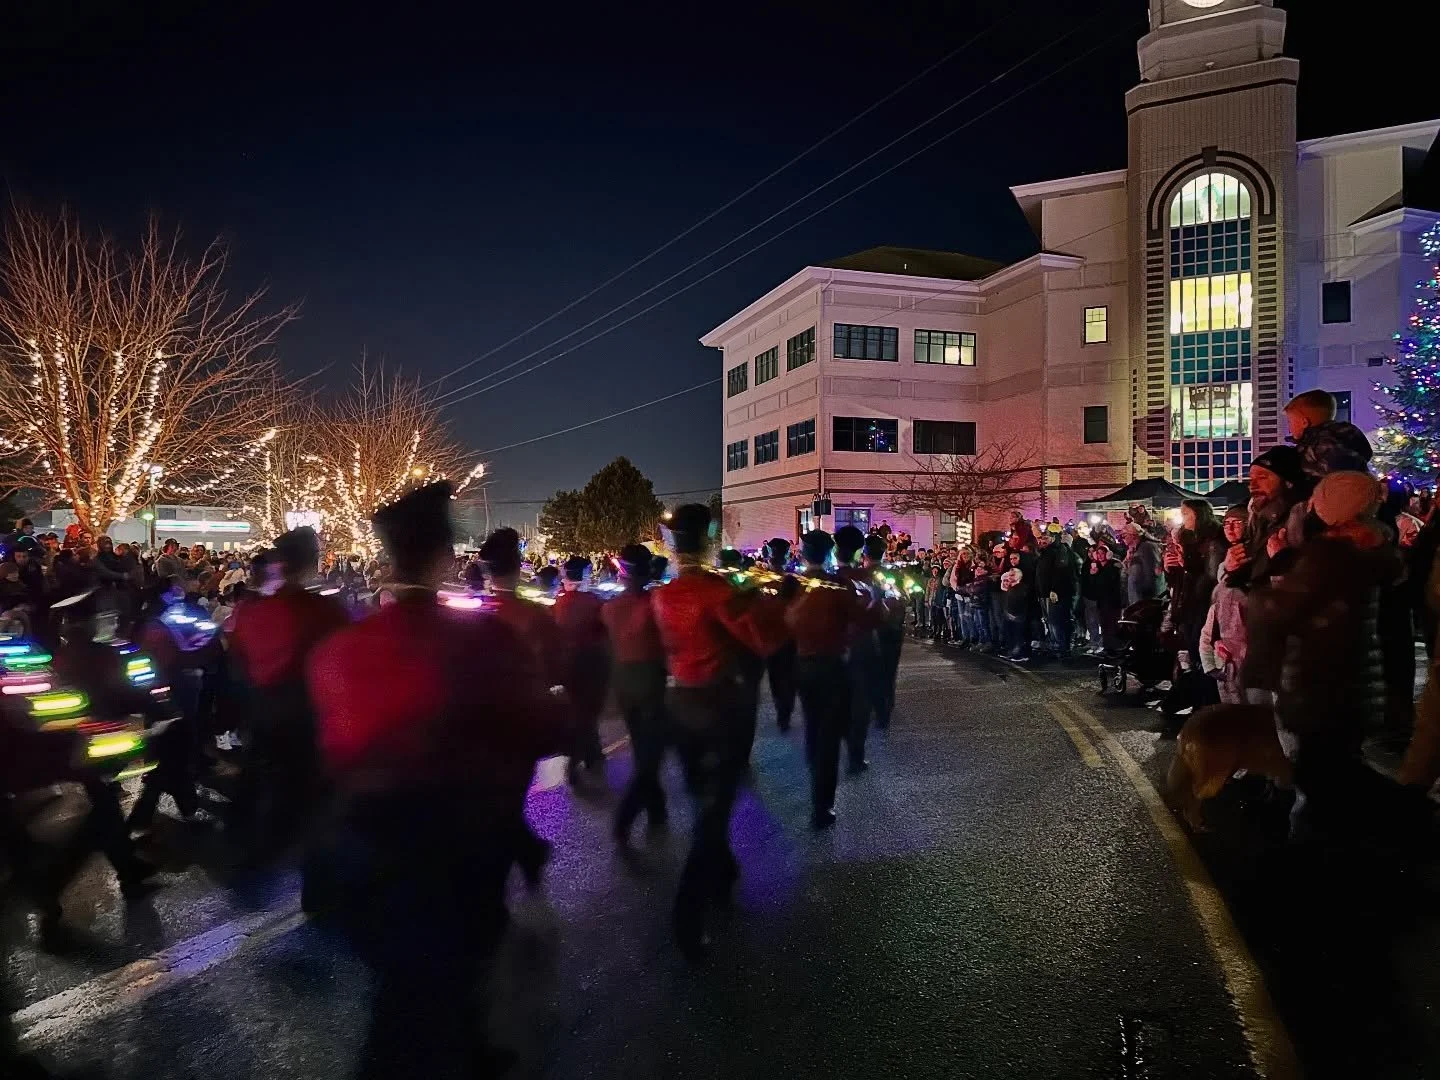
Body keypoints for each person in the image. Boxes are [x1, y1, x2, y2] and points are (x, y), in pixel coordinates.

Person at [307, 481, 567, 1079]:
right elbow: (531, 727)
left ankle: (469, 1048)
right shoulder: (479, 639)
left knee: (405, 988)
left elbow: (333, 751)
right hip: (453, 848)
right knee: (421, 1000)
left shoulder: (339, 648)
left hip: (358, 846)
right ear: (446, 556)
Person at [649, 503, 785, 960]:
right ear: (708, 540)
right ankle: (687, 915)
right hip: (718, 707)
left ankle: (724, 872)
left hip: (679, 704)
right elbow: (764, 641)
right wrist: (764, 600)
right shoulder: (717, 591)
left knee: (704, 799)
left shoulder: (663, 594)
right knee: (713, 810)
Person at [1248, 471, 1406, 841]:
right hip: (1354, 685)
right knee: (1335, 771)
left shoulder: (1331, 554)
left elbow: (1284, 609)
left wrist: (1279, 560)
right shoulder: (1375, 546)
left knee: (1318, 781)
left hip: (1321, 686)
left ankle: (1321, 857)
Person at [227, 526, 349, 862]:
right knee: (307, 797)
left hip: (262, 708)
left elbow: (237, 658)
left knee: (261, 777)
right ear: (311, 562)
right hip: (306, 715)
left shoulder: (252, 610)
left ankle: (249, 846)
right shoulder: (324, 611)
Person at [787, 530, 875, 827]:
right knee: (828, 734)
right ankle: (822, 804)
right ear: (828, 554)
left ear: (803, 554)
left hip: (802, 664)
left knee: (813, 728)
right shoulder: (837, 586)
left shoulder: (793, 585)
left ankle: (817, 784)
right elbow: (863, 619)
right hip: (832, 665)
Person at [603, 543, 669, 845]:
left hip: (623, 683)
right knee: (650, 753)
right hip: (650, 681)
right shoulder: (655, 603)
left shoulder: (609, 607)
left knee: (644, 746)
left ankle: (657, 809)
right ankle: (625, 818)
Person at [554, 554, 611, 785]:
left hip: (567, 664)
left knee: (580, 710)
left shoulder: (560, 601)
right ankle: (577, 757)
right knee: (589, 711)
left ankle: (593, 753)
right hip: (591, 663)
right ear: (584, 575)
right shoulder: (593, 602)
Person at [1199, 506, 1259, 704]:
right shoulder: (1224, 564)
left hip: (1251, 658)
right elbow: (1215, 615)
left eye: (1237, 523)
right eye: (1226, 523)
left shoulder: (1256, 562)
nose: (1230, 529)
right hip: (1226, 659)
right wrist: (1209, 657)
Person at [1284, 388, 1374, 481]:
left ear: (1304, 422)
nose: (1289, 428)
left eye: (1290, 421)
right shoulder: (1347, 435)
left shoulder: (1322, 445)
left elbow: (1340, 478)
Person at [864, 534, 905, 725]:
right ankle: (884, 708)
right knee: (888, 669)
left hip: (866, 630)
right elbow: (903, 598)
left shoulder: (859, 575)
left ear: (864, 554)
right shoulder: (894, 574)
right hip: (891, 628)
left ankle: (872, 705)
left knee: (868, 669)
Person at [762, 538, 798, 733]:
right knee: (787, 678)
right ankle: (785, 712)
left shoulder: (761, 581)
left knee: (776, 678)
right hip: (789, 637)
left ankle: (782, 711)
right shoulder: (794, 581)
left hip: (771, 638)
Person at [1035, 529, 1080, 658]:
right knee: (1050, 621)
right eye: (1041, 538)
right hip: (1045, 592)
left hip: (1056, 593)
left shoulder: (1059, 551)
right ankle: (1055, 644)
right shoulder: (1045, 553)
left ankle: (1061, 647)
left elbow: (1061, 571)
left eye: (1045, 538)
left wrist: (1054, 589)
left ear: (1053, 538)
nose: (1042, 541)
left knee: (1057, 621)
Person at [1082, 541, 1124, 655]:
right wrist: (1092, 575)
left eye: (1102, 553)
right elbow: (1094, 584)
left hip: (1113, 601)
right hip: (1101, 601)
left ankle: (1114, 648)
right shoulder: (1097, 566)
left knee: (1112, 625)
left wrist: (1097, 575)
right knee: (1104, 625)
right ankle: (1107, 647)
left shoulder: (1114, 565)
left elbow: (1111, 582)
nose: (1100, 556)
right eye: (1098, 553)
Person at [1120, 522, 1162, 607]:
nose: (1122, 539)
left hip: (1144, 600)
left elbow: (1150, 574)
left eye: (1124, 535)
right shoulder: (1135, 550)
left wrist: (1148, 599)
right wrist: (1128, 561)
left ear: (1133, 535)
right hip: (1136, 599)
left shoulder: (1146, 547)